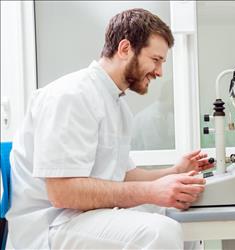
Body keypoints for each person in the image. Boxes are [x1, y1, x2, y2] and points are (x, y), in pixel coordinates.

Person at [6, 8, 213, 249]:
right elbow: (62, 193)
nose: (160, 72)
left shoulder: (116, 105)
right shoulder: (70, 96)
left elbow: (121, 174)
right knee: (159, 233)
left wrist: (174, 171)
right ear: (125, 49)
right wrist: (151, 191)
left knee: (180, 218)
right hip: (51, 225)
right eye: (156, 60)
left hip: (83, 216)